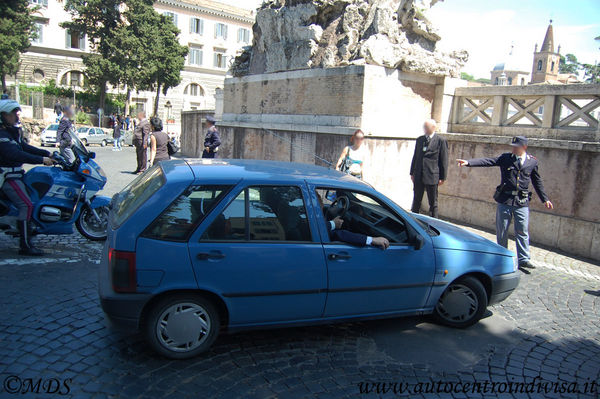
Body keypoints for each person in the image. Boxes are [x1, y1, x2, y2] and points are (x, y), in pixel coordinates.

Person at [457, 136, 553, 270]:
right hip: (505, 200)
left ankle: (524, 259)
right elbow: (489, 161)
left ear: (524, 147)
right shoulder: (506, 158)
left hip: (521, 202)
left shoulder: (532, 162)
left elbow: (537, 181)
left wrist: (545, 199)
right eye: (513, 145)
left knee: (522, 231)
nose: (513, 148)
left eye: (516, 146)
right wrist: (468, 162)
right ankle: (502, 255)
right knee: (502, 230)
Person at [0, 99, 54, 255]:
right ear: (2, 116)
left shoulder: (11, 132)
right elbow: (14, 153)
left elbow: (24, 147)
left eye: (16, 113)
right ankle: (25, 245)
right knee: (26, 205)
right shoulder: (2, 134)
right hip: (7, 176)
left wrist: (47, 153)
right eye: (12, 114)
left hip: (15, 173)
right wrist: (41, 160)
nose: (15, 117)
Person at [316, 193, 389, 249]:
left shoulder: (310, 219)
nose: (322, 203)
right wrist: (372, 240)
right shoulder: (317, 228)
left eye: (321, 201)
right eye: (320, 202)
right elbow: (340, 234)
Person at [410, 119, 448, 218]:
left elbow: (444, 159)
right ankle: (414, 218)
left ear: (433, 128)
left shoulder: (440, 141)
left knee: (433, 202)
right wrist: (412, 172)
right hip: (419, 174)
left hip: (432, 175)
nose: (425, 129)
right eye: (424, 127)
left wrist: (443, 177)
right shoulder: (420, 140)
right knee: (416, 199)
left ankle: (434, 222)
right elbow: (415, 156)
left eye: (427, 127)